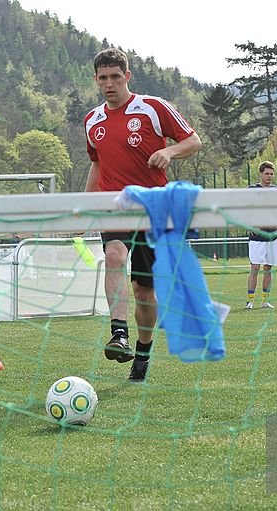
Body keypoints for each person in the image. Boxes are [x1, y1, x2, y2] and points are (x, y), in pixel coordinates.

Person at [83, 48, 202, 382]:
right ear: (96, 80)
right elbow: (96, 163)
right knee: (114, 254)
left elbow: (193, 141)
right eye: (103, 78)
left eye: (115, 77)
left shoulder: (152, 107)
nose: (109, 84)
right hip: (115, 207)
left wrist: (168, 150)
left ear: (127, 77)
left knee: (144, 293)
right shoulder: (92, 121)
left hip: (152, 209)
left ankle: (143, 351)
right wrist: (86, 204)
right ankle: (118, 333)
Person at [246, 161, 277, 309]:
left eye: (271, 173)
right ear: (260, 174)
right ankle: (250, 301)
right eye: (267, 173)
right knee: (255, 268)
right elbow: (243, 209)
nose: (269, 176)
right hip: (257, 238)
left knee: (268, 268)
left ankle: (265, 300)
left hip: (272, 236)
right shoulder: (252, 190)